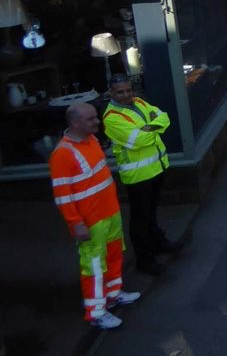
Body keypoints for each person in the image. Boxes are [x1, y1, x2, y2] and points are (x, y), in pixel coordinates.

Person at [50, 102, 140, 329]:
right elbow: (63, 196)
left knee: (113, 255)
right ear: (75, 123)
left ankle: (113, 294)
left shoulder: (91, 140)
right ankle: (96, 313)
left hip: (109, 213)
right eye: (91, 119)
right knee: (94, 266)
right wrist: (75, 223)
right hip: (91, 221)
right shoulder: (62, 154)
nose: (97, 122)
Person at [103, 74, 181, 275]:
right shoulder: (112, 118)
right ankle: (144, 260)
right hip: (137, 175)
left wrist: (148, 128)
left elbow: (164, 116)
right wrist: (154, 127)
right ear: (111, 93)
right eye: (120, 91)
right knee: (140, 218)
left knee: (151, 212)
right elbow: (139, 140)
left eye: (129, 90)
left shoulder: (138, 102)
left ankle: (158, 243)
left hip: (156, 167)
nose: (126, 94)